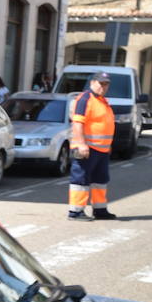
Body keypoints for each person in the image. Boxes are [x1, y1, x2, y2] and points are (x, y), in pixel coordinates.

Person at [67, 71, 118, 222]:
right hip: (87, 148)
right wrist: (81, 144)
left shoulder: (102, 100)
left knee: (100, 181)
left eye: (106, 84)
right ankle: (75, 211)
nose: (103, 86)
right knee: (81, 179)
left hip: (101, 149)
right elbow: (77, 123)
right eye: (100, 83)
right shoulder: (85, 99)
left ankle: (100, 209)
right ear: (92, 83)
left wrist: (107, 146)